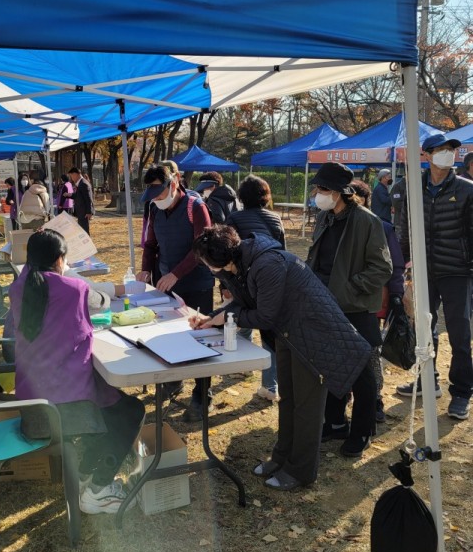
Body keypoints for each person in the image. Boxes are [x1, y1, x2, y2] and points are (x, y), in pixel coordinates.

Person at [190, 225, 371, 491]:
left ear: (222, 259)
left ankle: (301, 471)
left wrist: (227, 317)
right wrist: (214, 317)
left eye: (207, 262)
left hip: (314, 334)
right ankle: (282, 457)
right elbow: (245, 303)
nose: (206, 267)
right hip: (289, 332)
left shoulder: (267, 263)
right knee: (288, 399)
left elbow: (264, 315)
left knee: (307, 407)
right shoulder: (238, 264)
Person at [8, 229, 145, 514]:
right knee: (130, 412)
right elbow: (100, 302)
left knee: (119, 408)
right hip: (62, 408)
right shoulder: (73, 290)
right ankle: (99, 488)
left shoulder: (20, 286)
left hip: (31, 400)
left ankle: (84, 473)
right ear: (61, 259)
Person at [306, 162, 392, 458]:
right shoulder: (324, 217)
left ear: (341, 193)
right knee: (332, 368)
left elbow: (382, 268)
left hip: (355, 308)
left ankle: (363, 431)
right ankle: (335, 422)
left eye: (324, 189)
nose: (318, 193)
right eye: (317, 188)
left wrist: (348, 289)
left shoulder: (367, 221)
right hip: (326, 305)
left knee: (362, 374)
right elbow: (316, 258)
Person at [397, 133, 473, 420]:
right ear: (426, 155)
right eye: (440, 150)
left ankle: (462, 392)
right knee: (424, 330)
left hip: (457, 271)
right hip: (423, 269)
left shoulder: (467, 190)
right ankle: (427, 379)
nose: (446, 154)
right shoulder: (412, 188)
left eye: (450, 150)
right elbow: (404, 227)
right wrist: (406, 264)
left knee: (460, 332)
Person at [138, 161, 214, 422]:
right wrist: (146, 270)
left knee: (200, 338)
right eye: (153, 195)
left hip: (196, 284)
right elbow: (150, 244)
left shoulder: (196, 207)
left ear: (174, 183)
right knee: (168, 335)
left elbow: (201, 248)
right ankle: (173, 381)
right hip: (166, 284)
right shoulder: (153, 208)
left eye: (160, 193)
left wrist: (176, 273)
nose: (158, 199)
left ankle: (203, 394)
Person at [226, 174, 285, 402]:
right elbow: (283, 252)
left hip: (244, 280)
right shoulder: (275, 218)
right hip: (271, 280)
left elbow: (228, 251)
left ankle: (243, 365)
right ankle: (270, 386)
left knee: (242, 320)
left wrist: (226, 284)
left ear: (241, 197)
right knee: (269, 335)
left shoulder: (235, 218)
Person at [351, 179, 406, 423]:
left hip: (373, 300)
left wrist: (396, 294)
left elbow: (395, 265)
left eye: (356, 197)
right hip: (342, 302)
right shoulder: (333, 224)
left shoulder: (382, 227)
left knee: (370, 352)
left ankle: (375, 401)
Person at [68, 167, 95, 235]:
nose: (71, 178)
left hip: (84, 212)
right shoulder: (80, 183)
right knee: (82, 230)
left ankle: (87, 244)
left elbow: (88, 198)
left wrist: (89, 212)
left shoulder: (83, 184)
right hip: (81, 212)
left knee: (84, 231)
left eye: (71, 176)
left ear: (75, 174)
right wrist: (69, 195)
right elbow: (78, 196)